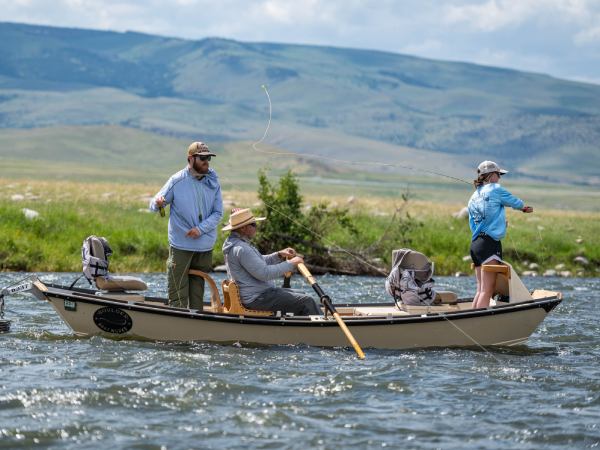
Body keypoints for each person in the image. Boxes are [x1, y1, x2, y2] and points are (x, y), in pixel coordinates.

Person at [150, 141, 223, 310]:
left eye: (208, 158)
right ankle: (178, 323)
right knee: (177, 290)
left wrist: (200, 229)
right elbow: (154, 205)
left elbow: (218, 213)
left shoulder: (213, 180)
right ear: (190, 159)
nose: (207, 162)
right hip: (181, 244)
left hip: (205, 246)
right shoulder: (177, 180)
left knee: (197, 292)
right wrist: (158, 202)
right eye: (202, 158)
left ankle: (195, 327)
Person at [221, 208, 321, 316]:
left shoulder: (235, 244)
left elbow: (257, 263)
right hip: (257, 298)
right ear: (243, 228)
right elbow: (265, 274)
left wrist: (278, 255)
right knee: (307, 301)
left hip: (259, 295)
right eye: (254, 224)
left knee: (303, 294)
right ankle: (320, 329)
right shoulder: (241, 248)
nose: (257, 227)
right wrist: (291, 264)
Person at [468, 160, 533, 309]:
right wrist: (524, 208)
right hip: (489, 244)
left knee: (480, 289)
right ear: (491, 175)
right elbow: (514, 202)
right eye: (499, 174)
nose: (500, 178)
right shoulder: (495, 189)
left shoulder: (472, 197)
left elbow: (475, 223)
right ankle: (477, 322)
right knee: (487, 290)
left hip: (476, 245)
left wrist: (500, 224)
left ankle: (471, 319)